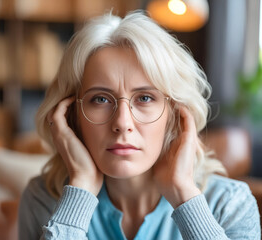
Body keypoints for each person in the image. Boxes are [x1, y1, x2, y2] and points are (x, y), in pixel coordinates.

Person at [18, 11, 260, 240]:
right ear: (71, 115)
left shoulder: (229, 204)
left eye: (145, 98)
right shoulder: (44, 199)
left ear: (175, 114)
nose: (122, 124)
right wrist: (80, 188)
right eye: (100, 99)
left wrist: (185, 196)